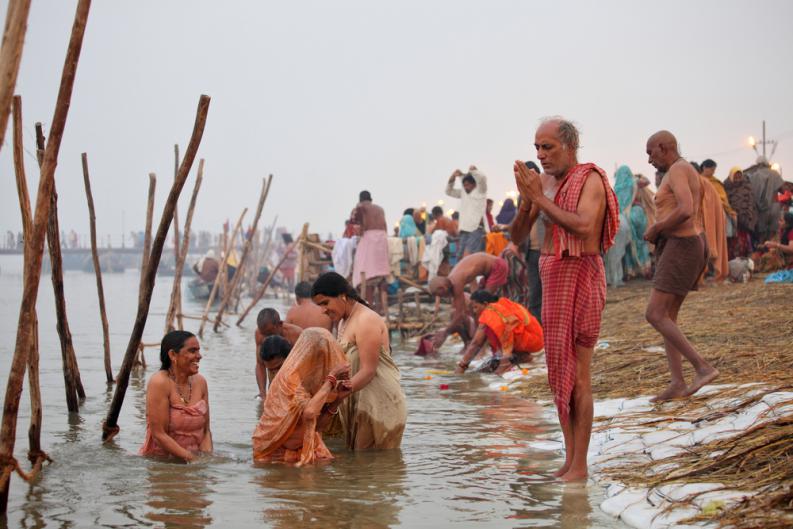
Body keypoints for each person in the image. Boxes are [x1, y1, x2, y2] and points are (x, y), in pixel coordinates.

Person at [510, 117, 619, 481]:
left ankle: (581, 465)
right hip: (551, 275)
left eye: (548, 147)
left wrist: (539, 198)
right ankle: (570, 459)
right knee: (559, 376)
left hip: (582, 274)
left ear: (570, 146)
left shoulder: (590, 179)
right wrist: (526, 201)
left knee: (580, 377)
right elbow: (520, 234)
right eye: (537, 148)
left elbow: (585, 226)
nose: (540, 155)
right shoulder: (542, 183)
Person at [643, 130, 719, 403]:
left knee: (655, 314)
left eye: (651, 152)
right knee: (667, 317)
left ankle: (702, 367)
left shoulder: (677, 170)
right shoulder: (682, 169)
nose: (649, 160)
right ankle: (677, 382)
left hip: (682, 246)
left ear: (664, 148)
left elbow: (686, 209)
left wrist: (657, 228)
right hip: (686, 245)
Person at [311, 272, 406, 450]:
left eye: (325, 303)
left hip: (378, 406)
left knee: (372, 469)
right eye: (319, 305)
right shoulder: (343, 321)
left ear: (342, 296)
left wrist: (336, 398)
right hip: (358, 401)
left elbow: (368, 371)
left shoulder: (365, 320)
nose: (323, 310)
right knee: (358, 470)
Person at [252, 328, 352, 465]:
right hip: (277, 453)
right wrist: (332, 377)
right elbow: (310, 413)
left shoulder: (312, 380)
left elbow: (316, 427)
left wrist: (338, 399)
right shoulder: (288, 378)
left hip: (304, 447)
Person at [428, 250, 529, 348]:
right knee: (466, 310)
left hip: (497, 267)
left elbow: (460, 314)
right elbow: (458, 314)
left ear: (443, 288)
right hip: (488, 272)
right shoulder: (451, 282)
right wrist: (442, 332)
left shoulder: (456, 282)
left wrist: (445, 333)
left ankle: (482, 344)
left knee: (482, 306)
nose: (441, 297)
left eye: (439, 295)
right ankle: (470, 342)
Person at [140, 331, 212, 461]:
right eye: (192, 351)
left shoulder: (201, 382)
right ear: (173, 355)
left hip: (193, 461)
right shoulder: (160, 382)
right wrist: (193, 460)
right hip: (162, 463)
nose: (199, 356)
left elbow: (206, 431)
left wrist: (207, 460)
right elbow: (159, 435)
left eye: (198, 351)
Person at [455, 290, 543, 375]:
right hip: (538, 340)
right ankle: (521, 356)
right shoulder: (503, 303)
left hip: (531, 340)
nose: (474, 311)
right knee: (486, 367)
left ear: (486, 304)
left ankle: (515, 358)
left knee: (489, 367)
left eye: (476, 307)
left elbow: (476, 343)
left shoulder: (490, 311)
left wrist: (462, 366)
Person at [351, 190, 390, 312]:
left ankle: (370, 308)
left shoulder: (360, 207)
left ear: (360, 200)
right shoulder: (380, 209)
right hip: (383, 238)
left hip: (370, 239)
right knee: (381, 273)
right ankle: (383, 307)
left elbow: (356, 224)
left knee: (366, 273)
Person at [255, 308, 303, 398]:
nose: (267, 337)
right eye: (264, 334)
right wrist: (262, 392)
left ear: (280, 324)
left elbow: (304, 366)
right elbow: (260, 364)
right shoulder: (259, 334)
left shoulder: (296, 334)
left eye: (270, 333)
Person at [445, 166, 489, 258]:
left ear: (475, 184)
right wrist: (453, 177)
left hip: (476, 229)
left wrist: (474, 171)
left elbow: (482, 178)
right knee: (460, 256)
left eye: (468, 185)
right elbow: (448, 191)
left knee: (469, 256)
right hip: (464, 229)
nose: (466, 187)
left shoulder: (481, 191)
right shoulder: (463, 193)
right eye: (464, 185)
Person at [697, 163, 729, 282]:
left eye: (714, 169)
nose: (713, 172)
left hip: (711, 217)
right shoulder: (697, 182)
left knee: (705, 246)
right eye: (711, 169)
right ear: (703, 168)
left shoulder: (711, 183)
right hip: (701, 219)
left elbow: (721, 200)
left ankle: (707, 274)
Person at [723, 167, 757, 258]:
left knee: (745, 238)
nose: (738, 179)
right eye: (735, 177)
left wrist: (749, 215)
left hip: (746, 218)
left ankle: (746, 258)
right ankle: (734, 259)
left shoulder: (747, 186)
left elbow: (751, 201)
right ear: (731, 176)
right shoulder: (726, 187)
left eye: (739, 176)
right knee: (733, 239)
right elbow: (725, 202)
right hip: (732, 218)